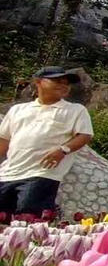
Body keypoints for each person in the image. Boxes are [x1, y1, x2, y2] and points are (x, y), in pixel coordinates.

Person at [0, 66, 94, 219]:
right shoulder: (18, 110)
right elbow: (4, 139)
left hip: (42, 174)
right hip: (7, 174)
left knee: (28, 220)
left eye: (66, 83)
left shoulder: (75, 110)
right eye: (57, 81)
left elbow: (84, 135)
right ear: (38, 82)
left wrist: (63, 150)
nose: (63, 86)